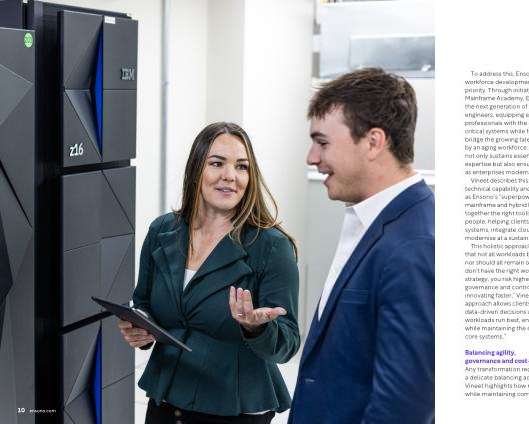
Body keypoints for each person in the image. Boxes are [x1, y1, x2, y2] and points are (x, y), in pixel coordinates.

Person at [118, 122, 300, 424]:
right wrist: (142, 326)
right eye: (217, 163)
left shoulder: (271, 246)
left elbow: (288, 344)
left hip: (234, 408)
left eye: (241, 167)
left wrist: (257, 329)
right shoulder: (161, 231)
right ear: (195, 170)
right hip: (167, 397)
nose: (230, 175)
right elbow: (144, 302)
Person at [288, 68, 435, 423]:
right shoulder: (371, 219)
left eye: (323, 143)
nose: (311, 157)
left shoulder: (414, 246)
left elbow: (404, 408)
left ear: (373, 142)